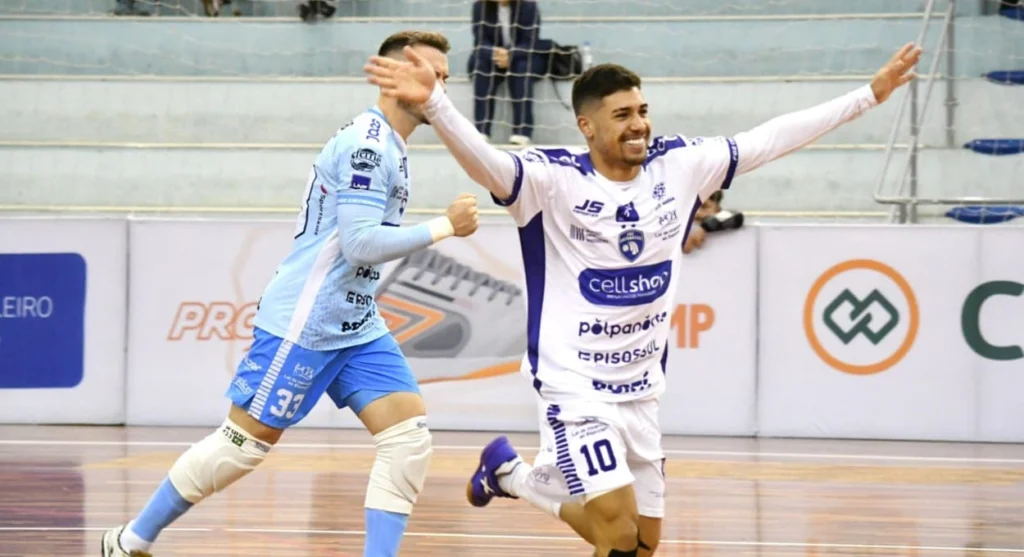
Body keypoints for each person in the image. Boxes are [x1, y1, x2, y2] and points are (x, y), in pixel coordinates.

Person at [364, 41, 921, 557]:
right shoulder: (550, 180)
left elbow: (771, 138)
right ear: (587, 126)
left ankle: (511, 476)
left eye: (642, 111)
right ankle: (515, 476)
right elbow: (486, 160)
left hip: (641, 390)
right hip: (574, 386)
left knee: (643, 543)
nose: (639, 125)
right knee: (615, 531)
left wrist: (868, 96)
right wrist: (436, 105)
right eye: (622, 115)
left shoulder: (680, 165)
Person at [101, 30, 478, 557]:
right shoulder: (368, 146)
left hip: (355, 322)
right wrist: (445, 226)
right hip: (307, 321)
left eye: (445, 78)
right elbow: (360, 243)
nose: (441, 88)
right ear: (395, 77)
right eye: (430, 75)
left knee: (407, 439)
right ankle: (129, 541)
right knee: (240, 448)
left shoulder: (392, 144)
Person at [468, 0, 552, 145]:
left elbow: (530, 42)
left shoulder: (528, 5)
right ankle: (481, 130)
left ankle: (522, 132)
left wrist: (511, 55)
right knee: (481, 66)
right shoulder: (480, 6)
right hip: (494, 58)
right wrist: (496, 53)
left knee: (521, 69)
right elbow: (480, 41)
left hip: (523, 57)